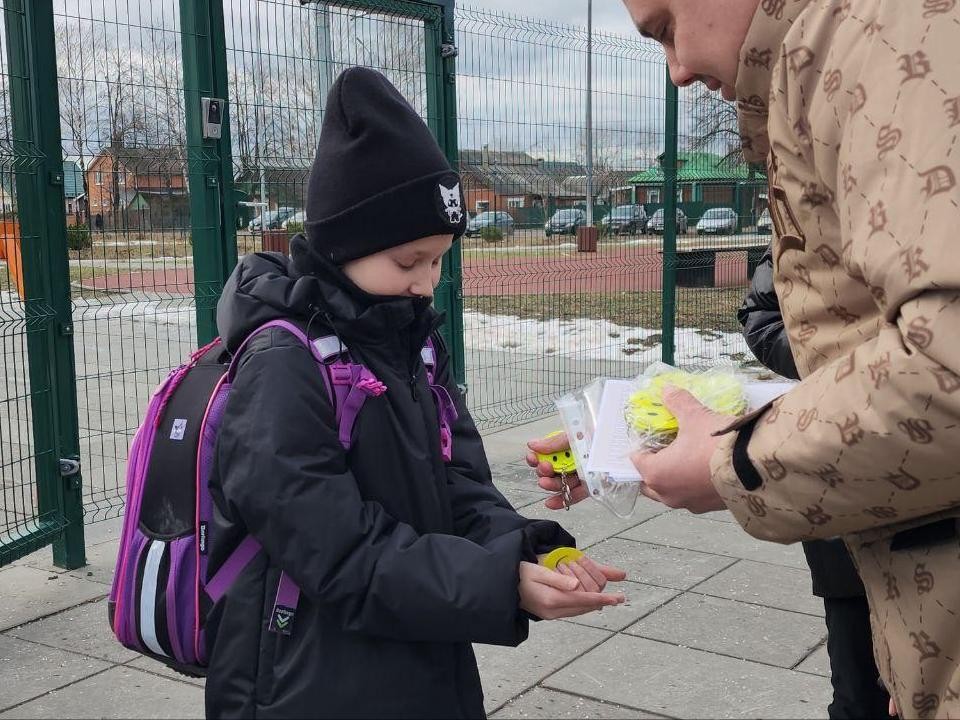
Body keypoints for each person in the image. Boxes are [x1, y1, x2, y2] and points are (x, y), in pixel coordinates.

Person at [533, 1, 960, 717]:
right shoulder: (831, 59)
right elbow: (874, 354)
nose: (678, 72)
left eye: (667, 28)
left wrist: (730, 463)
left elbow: (943, 360)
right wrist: (650, 437)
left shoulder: (872, 38)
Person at [207, 67, 626, 719]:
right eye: (409, 262)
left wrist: (525, 548)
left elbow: (458, 485)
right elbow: (338, 551)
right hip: (305, 682)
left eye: (438, 260)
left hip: (422, 653)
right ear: (345, 243)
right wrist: (498, 586)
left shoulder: (413, 342)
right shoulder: (282, 364)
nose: (428, 283)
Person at [741, 246, 889, 719]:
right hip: (845, 481)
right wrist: (842, 358)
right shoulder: (804, 202)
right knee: (855, 684)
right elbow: (762, 314)